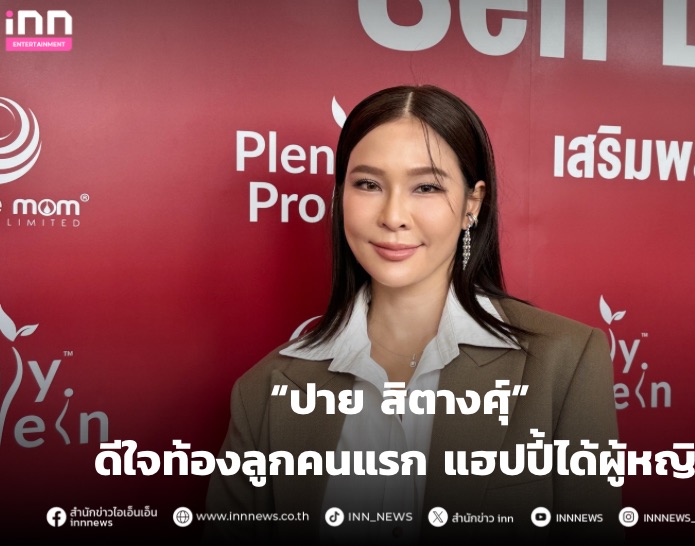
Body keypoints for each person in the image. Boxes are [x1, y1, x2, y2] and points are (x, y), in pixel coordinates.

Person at [205, 85, 622, 545]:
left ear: (472, 204)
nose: (393, 216)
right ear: (341, 196)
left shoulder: (564, 363)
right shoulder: (264, 391)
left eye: (426, 187)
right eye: (368, 184)